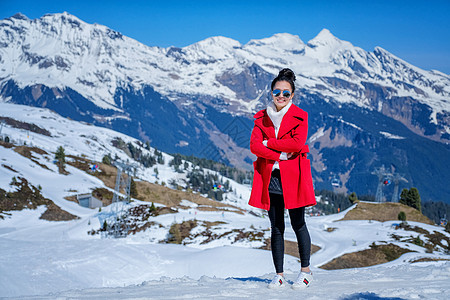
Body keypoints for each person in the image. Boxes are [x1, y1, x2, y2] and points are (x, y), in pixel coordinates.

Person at [248, 68, 316, 289]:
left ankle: (306, 272)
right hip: (272, 177)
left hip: (294, 176)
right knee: (276, 227)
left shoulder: (300, 116)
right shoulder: (261, 117)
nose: (281, 96)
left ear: (292, 95)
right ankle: (279, 274)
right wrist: (279, 153)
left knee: (298, 223)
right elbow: (254, 146)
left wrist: (268, 144)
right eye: (277, 92)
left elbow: (297, 144)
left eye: (286, 93)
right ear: (271, 93)